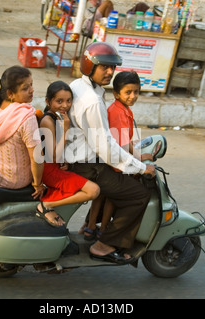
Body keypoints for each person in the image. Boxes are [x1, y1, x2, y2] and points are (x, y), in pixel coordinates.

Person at [66, 42, 156, 264]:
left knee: (118, 186)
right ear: (90, 65)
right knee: (138, 195)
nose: (109, 72)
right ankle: (103, 245)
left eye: (111, 67)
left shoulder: (81, 85)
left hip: (80, 157)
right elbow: (105, 146)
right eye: (104, 67)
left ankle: (91, 228)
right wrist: (141, 167)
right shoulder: (93, 101)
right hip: (88, 166)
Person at [83, 71, 153, 240]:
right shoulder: (118, 113)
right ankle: (104, 228)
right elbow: (121, 145)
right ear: (116, 93)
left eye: (136, 92)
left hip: (110, 158)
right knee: (114, 197)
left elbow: (125, 140)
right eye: (128, 92)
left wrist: (138, 155)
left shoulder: (123, 110)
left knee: (102, 196)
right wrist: (138, 164)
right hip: (114, 162)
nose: (133, 96)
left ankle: (91, 227)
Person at [0, 65, 48, 220]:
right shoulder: (25, 116)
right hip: (14, 181)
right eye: (25, 88)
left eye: (31, 85)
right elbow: (37, 157)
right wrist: (37, 184)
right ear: (10, 93)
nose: (31, 90)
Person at [37, 81, 100, 226]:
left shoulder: (58, 116)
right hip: (48, 170)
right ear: (48, 101)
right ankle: (46, 204)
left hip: (56, 166)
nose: (65, 105)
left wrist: (63, 160)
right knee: (93, 190)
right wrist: (65, 129)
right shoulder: (48, 120)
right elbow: (53, 156)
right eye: (59, 101)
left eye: (68, 101)